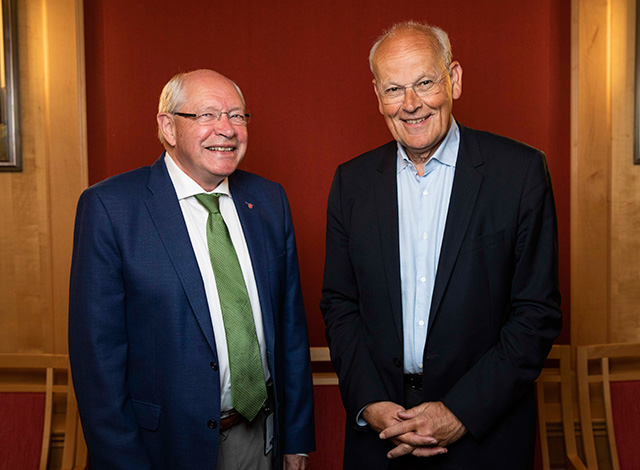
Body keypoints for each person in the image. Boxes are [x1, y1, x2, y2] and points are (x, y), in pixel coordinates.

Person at [320, 21, 562, 469]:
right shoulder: (350, 183)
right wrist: (370, 401)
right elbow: (340, 304)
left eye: (425, 82)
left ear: (454, 79)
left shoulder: (520, 173)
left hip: (484, 436)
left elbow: (536, 312)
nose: (411, 104)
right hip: (382, 435)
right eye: (394, 89)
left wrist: (459, 413)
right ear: (377, 96)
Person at [69, 69, 315, 470]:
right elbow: (97, 360)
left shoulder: (269, 202)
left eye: (237, 116)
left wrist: (297, 441)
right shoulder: (111, 209)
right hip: (160, 449)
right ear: (168, 127)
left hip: (259, 439)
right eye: (206, 116)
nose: (227, 129)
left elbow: (291, 330)